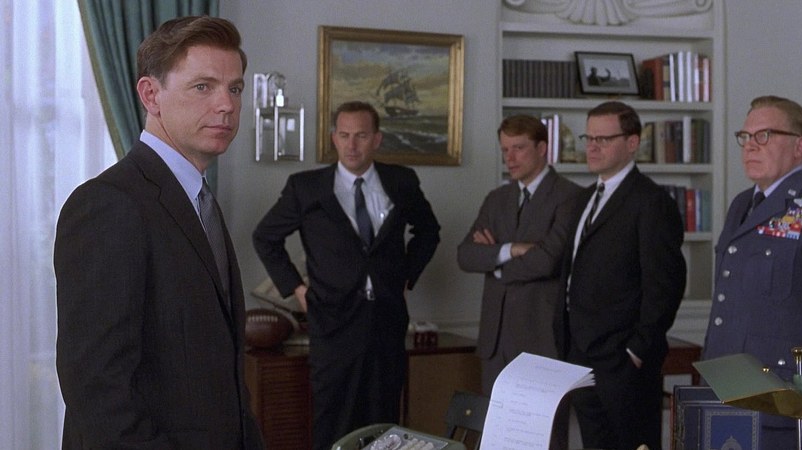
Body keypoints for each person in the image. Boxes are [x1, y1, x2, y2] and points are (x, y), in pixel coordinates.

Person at [54, 16, 263, 449]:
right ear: (151, 95)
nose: (226, 105)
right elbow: (97, 393)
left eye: (235, 88)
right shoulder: (109, 204)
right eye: (203, 87)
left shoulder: (199, 200)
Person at [252, 100, 441, 450]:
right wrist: (297, 290)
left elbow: (429, 231)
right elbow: (265, 237)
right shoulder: (306, 187)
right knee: (333, 418)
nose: (352, 145)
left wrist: (406, 277)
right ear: (334, 138)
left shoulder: (401, 181)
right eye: (344, 135)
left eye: (361, 136)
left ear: (377, 139)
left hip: (386, 320)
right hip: (332, 321)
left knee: (384, 421)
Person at [702, 95, 802, 449]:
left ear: (799, 146)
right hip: (726, 383)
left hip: (783, 393)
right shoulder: (742, 204)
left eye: (764, 136)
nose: (750, 146)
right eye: (745, 137)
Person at [555, 101, 686, 450]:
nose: (592, 147)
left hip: (624, 362)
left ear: (632, 143)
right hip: (579, 354)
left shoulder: (651, 201)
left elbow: (665, 284)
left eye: (603, 139)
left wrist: (637, 350)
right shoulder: (584, 198)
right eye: (588, 138)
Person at [457, 114, 581, 394]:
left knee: (545, 423)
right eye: (505, 150)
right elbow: (465, 255)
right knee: (496, 422)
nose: (509, 158)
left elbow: (547, 261)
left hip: (541, 340)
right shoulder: (496, 199)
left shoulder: (570, 196)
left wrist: (494, 263)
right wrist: (511, 249)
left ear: (542, 148)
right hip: (495, 343)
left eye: (518, 148)